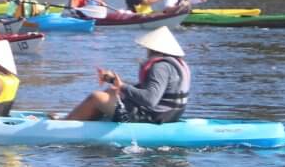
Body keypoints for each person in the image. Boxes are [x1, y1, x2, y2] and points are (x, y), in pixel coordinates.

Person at [51, 26, 191, 124]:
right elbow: (147, 90)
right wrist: (113, 81)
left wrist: (122, 86)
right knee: (111, 91)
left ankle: (65, 125)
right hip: (169, 115)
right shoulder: (175, 64)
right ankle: (80, 118)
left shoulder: (160, 67)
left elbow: (150, 100)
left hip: (153, 117)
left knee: (96, 97)